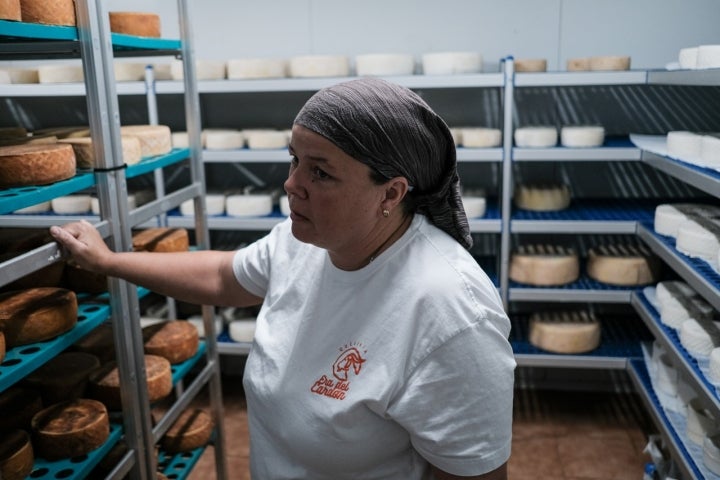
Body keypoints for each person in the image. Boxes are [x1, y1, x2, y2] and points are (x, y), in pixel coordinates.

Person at [50, 77, 515, 480]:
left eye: (320, 172)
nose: (291, 184)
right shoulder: (306, 241)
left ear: (391, 192)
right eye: (294, 160)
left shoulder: (451, 315)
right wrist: (109, 261)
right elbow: (222, 276)